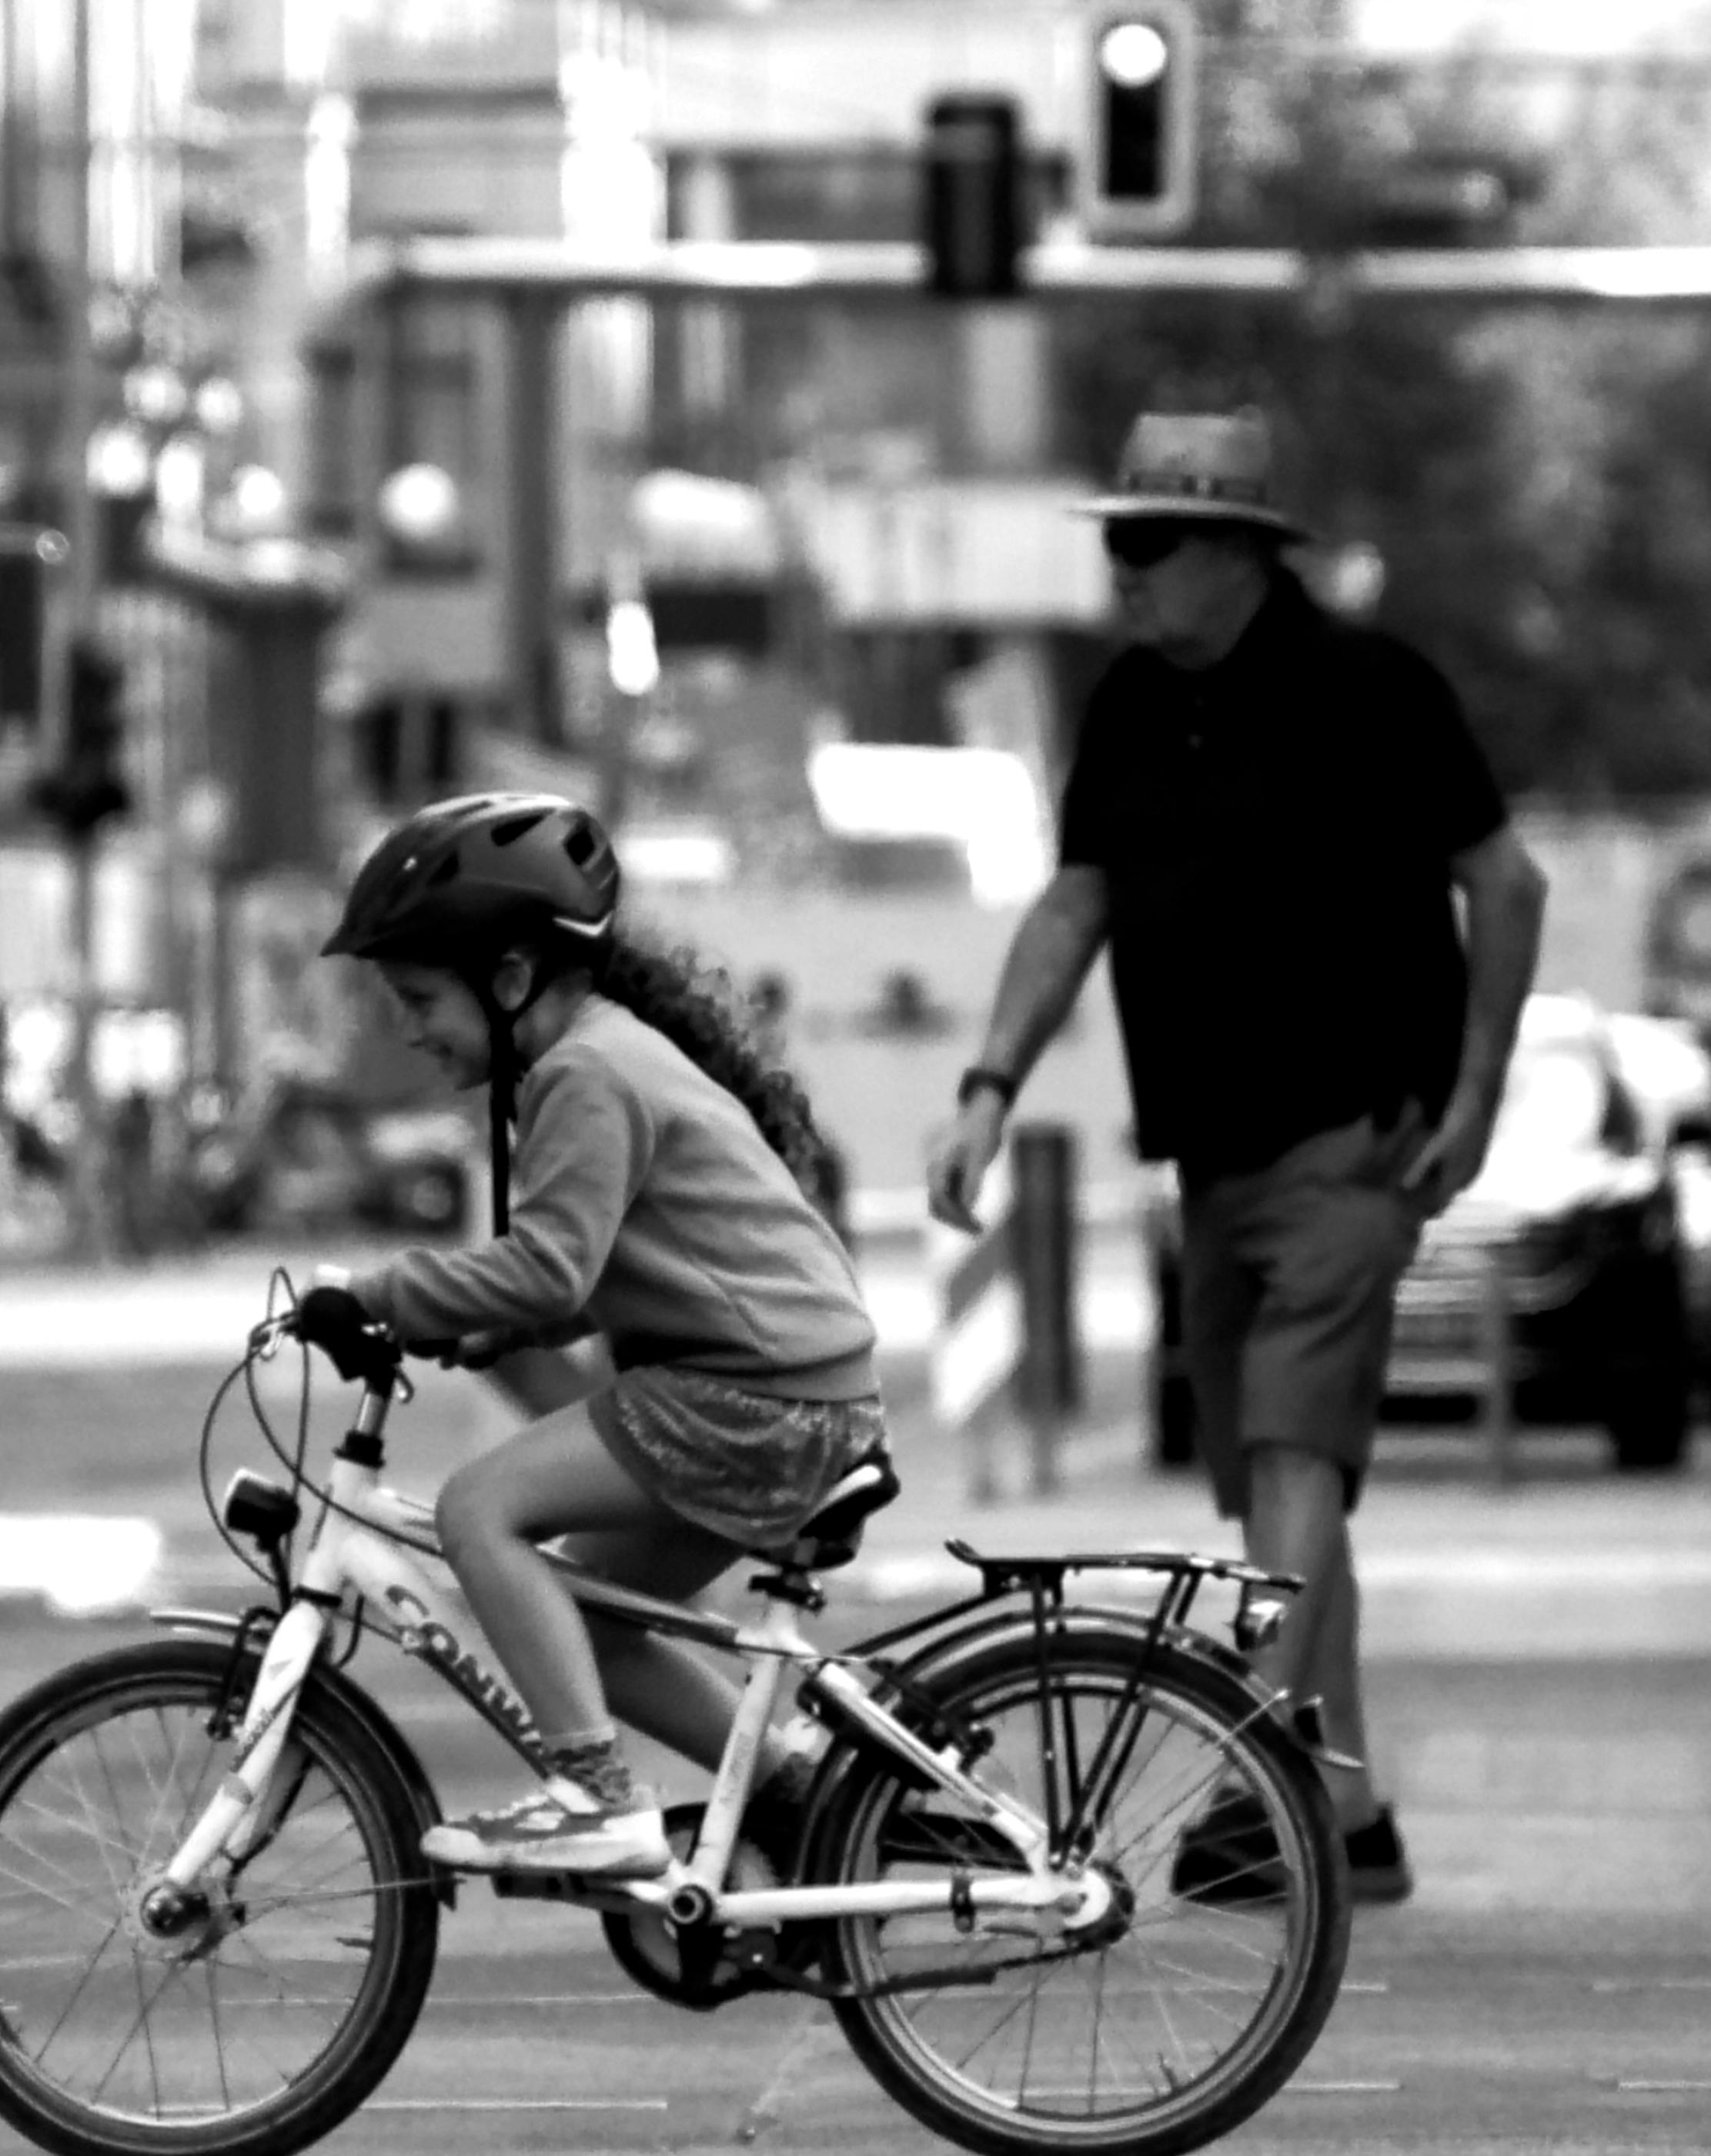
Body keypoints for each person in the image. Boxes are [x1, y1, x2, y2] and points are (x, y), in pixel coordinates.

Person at [927, 409, 1545, 1908]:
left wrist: (1476, 1088)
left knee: (1287, 1456)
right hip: (1210, 1160)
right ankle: (1352, 1811)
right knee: (1286, 1499)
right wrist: (988, 1085)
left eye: (1145, 547)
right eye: (1113, 545)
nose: (1119, 576)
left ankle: (1250, 1778)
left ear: (1236, 553)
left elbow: (1502, 881)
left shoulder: (1372, 690)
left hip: (1352, 1142)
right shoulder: (1131, 701)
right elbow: (1074, 905)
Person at [286, 791, 882, 1884]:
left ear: (510, 979)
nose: (412, 1028)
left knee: (477, 1510)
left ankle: (593, 1798)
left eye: (421, 998)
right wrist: (498, 1320)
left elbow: (553, 1263)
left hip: (748, 1397)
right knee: (592, 1618)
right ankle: (802, 1794)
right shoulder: (594, 1058)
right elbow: (604, 1269)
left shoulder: (585, 1074)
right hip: (784, 1392)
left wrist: (383, 1292)